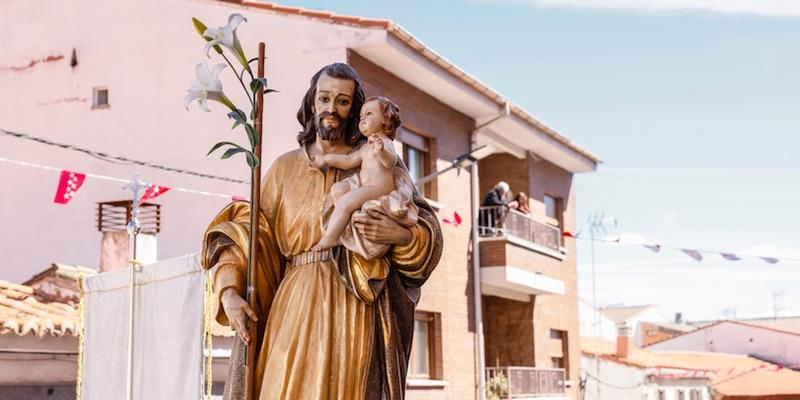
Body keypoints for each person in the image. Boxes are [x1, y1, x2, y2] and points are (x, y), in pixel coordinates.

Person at [201, 63, 442, 400]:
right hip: (295, 301)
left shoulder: (377, 159)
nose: (332, 108)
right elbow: (249, 234)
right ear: (312, 103)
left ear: (355, 109)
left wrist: (400, 237)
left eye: (342, 101)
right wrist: (229, 291)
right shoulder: (284, 169)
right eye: (324, 98)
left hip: (357, 303)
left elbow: (422, 227)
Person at [310, 96, 418, 259]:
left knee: (346, 202)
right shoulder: (366, 147)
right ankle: (344, 227)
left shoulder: (384, 142)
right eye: (361, 116)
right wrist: (325, 159)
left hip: (378, 187)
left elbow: (390, 162)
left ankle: (330, 238)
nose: (363, 119)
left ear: (385, 120)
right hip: (362, 183)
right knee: (337, 189)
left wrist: (381, 150)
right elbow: (348, 161)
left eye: (369, 114)